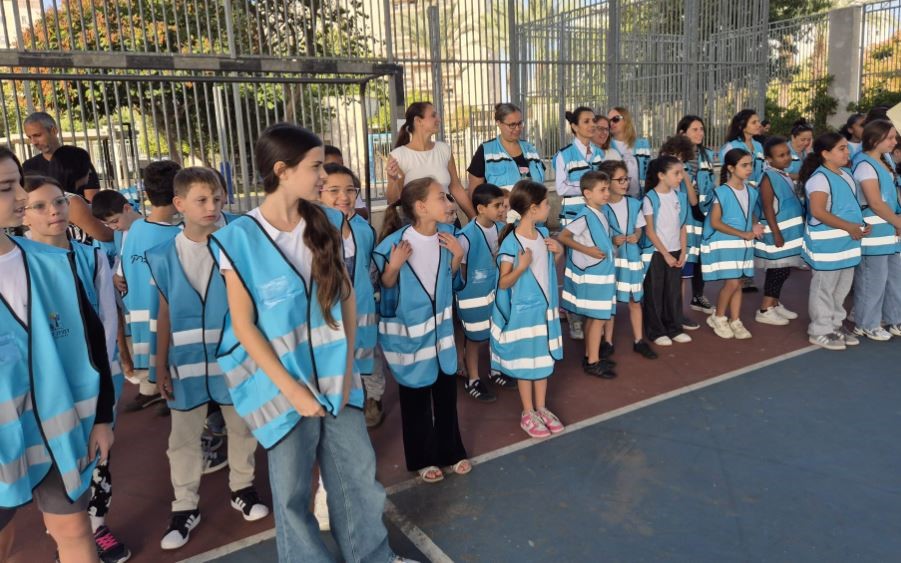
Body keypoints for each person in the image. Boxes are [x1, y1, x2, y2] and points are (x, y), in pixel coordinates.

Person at [210, 123, 411, 562]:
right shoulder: (237, 239)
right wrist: (294, 391)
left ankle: (372, 556)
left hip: (338, 383)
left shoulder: (330, 221)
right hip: (283, 391)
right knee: (292, 495)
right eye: (316, 167)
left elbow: (347, 297)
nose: (324, 176)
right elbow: (244, 326)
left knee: (358, 480)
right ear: (282, 170)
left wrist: (346, 369)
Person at [0, 147, 115, 563]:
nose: (20, 196)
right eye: (6, 187)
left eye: (18, 183)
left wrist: (102, 417)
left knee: (75, 530)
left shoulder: (55, 263)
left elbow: (93, 341)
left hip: (58, 433)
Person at [146, 167, 267, 550]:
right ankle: (184, 506)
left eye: (216, 198)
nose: (212, 206)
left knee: (242, 428)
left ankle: (242, 488)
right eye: (201, 200)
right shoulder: (162, 256)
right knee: (182, 439)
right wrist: (159, 366)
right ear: (179, 204)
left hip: (234, 360)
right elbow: (163, 312)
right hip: (185, 367)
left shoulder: (236, 245)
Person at [21, 175, 130, 563]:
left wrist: (102, 381)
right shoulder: (18, 265)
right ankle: (66, 536)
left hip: (93, 382)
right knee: (48, 468)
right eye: (40, 206)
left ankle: (96, 526)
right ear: (23, 214)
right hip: (44, 390)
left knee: (97, 458)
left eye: (59, 202)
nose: (54, 211)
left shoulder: (92, 257)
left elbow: (106, 325)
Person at [374, 177, 470, 483]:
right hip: (410, 342)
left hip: (441, 340)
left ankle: (451, 451)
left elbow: (450, 282)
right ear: (420, 207)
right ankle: (422, 459)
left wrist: (458, 257)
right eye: (441, 197)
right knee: (415, 403)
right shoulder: (392, 246)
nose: (448, 202)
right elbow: (385, 293)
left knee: (446, 398)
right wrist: (394, 266)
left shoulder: (449, 237)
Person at [491, 180, 565, 438]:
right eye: (546, 204)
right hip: (523, 315)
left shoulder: (543, 234)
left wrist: (558, 252)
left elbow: (546, 270)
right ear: (533, 208)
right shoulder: (511, 243)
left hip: (543, 312)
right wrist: (521, 267)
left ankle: (541, 407)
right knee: (525, 364)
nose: (549, 207)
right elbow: (503, 282)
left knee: (542, 360)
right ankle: (528, 412)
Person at [320, 163, 384, 425]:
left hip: (363, 308)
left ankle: (374, 398)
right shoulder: (314, 230)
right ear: (319, 193)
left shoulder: (364, 229)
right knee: (335, 359)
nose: (344, 197)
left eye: (350, 190)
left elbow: (369, 267)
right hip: (329, 312)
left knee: (369, 354)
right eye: (334, 190)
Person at [119, 160, 183, 415]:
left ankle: (152, 390)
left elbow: (122, 269)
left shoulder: (135, 228)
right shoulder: (179, 235)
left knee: (148, 352)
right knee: (168, 351)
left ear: (146, 193)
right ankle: (167, 392)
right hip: (165, 313)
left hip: (138, 309)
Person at [801, 132, 866, 351]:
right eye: (841, 148)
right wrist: (849, 227)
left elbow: (849, 206)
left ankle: (835, 324)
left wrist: (861, 224)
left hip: (847, 244)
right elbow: (818, 211)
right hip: (827, 247)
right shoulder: (819, 179)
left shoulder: (846, 174)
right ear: (826, 154)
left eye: (847, 147)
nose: (847, 152)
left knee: (841, 288)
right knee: (824, 288)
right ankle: (819, 329)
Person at [455, 183, 516, 402]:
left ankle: (496, 370)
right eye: (497, 206)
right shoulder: (466, 236)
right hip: (473, 298)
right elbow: (461, 271)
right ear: (481, 208)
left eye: (503, 205)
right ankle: (473, 379)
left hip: (497, 294)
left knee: (496, 332)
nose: (502, 210)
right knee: (474, 338)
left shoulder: (502, 229)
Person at [558, 171, 618, 378]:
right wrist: (588, 251)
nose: (607, 193)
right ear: (587, 193)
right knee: (597, 318)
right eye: (602, 190)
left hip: (601, 276)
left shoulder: (601, 212)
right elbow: (564, 236)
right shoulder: (585, 215)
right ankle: (593, 361)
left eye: (608, 189)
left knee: (595, 318)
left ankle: (590, 356)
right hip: (594, 277)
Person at [702, 149, 763, 339]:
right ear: (730, 168)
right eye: (744, 165)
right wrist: (742, 233)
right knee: (732, 282)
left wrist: (755, 225)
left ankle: (735, 320)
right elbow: (715, 222)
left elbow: (751, 215)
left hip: (743, 245)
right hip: (726, 242)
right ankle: (719, 317)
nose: (749, 168)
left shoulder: (751, 192)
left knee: (739, 282)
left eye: (751, 164)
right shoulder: (721, 192)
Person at [600, 160, 657, 360]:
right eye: (620, 180)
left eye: (626, 179)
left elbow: (639, 228)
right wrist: (611, 240)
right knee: (610, 301)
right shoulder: (601, 207)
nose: (625, 183)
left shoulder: (633, 204)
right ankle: (607, 341)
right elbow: (597, 234)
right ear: (607, 182)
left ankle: (639, 340)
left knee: (635, 299)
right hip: (611, 261)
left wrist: (636, 235)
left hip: (631, 258)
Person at [850, 120, 901, 341]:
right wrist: (898, 223)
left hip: (889, 229)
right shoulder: (864, 165)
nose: (894, 142)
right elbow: (876, 203)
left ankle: (894, 318)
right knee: (873, 280)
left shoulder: (884, 160)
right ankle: (866, 324)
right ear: (874, 140)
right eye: (889, 138)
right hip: (875, 232)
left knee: (894, 277)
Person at [554, 106, 602, 341]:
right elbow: (561, 187)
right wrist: (587, 187)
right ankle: (574, 316)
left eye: (593, 120)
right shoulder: (564, 155)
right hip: (573, 218)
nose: (592, 125)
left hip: (595, 217)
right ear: (574, 126)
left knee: (592, 265)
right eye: (586, 121)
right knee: (574, 268)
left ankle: (590, 312)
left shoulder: (600, 154)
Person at [386, 102, 475, 219]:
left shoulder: (444, 149)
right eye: (433, 115)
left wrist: (474, 219)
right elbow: (392, 200)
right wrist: (392, 180)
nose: (439, 119)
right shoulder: (398, 156)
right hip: (417, 224)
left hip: (448, 220)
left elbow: (456, 188)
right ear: (418, 121)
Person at [640, 156, 692, 347]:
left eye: (681, 172)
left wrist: (683, 252)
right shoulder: (650, 198)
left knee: (673, 292)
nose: (680, 177)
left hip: (676, 251)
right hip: (656, 253)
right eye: (676, 173)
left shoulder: (680, 197)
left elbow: (682, 226)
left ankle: (674, 328)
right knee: (654, 292)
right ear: (661, 175)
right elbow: (650, 231)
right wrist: (666, 254)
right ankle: (656, 331)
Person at [754, 137, 805, 326]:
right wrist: (776, 233)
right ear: (769, 159)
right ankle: (765, 309)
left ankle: (774, 303)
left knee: (784, 270)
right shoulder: (768, 177)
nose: (787, 158)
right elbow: (768, 207)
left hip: (789, 234)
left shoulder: (783, 174)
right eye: (781, 155)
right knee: (778, 270)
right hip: (778, 233)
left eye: (787, 153)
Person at [658, 135, 702, 332]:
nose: (678, 160)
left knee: (682, 276)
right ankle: (661, 314)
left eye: (681, 157)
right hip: (664, 235)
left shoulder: (684, 175)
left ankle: (678, 313)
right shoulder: (660, 174)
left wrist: (684, 175)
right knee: (662, 277)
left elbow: (693, 201)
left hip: (683, 234)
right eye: (674, 155)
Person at [676, 115, 717, 315]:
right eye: (695, 129)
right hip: (683, 215)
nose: (700, 133)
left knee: (701, 256)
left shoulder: (707, 155)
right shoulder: (674, 155)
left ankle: (698, 296)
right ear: (682, 133)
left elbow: (711, 184)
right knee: (685, 258)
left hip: (703, 215)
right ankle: (677, 309)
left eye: (701, 129)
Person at [22, 111, 101, 201]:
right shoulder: (29, 167)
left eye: (37, 135)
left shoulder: (77, 159)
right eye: (29, 137)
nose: (33, 142)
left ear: (54, 131)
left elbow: (92, 200)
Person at [467, 103, 545, 192]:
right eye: (512, 125)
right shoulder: (486, 151)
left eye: (520, 123)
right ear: (499, 123)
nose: (517, 128)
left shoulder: (530, 149)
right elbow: (474, 192)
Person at [608, 106, 652, 197]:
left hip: (641, 198)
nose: (611, 123)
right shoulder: (606, 146)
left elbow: (648, 171)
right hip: (617, 198)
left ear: (626, 120)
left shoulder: (642, 144)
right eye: (608, 121)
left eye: (616, 119)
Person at [720, 109, 765, 188]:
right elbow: (726, 173)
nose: (759, 125)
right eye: (754, 122)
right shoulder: (731, 147)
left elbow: (763, 168)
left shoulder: (758, 146)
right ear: (742, 126)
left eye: (758, 121)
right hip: (738, 190)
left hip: (757, 192)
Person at [324, 144, 369, 219]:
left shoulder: (350, 183)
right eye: (334, 190)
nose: (344, 197)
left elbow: (364, 212)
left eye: (341, 164)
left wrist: (348, 211)